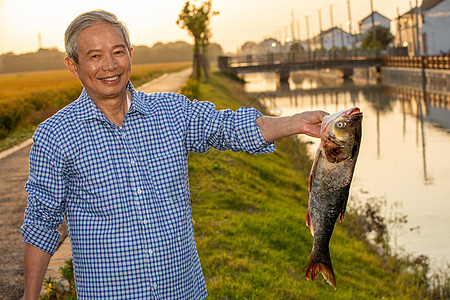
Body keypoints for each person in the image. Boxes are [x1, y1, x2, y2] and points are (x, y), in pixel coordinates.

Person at [21, 10, 327, 300]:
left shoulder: (171, 112)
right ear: (73, 66)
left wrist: (295, 122)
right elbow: (41, 223)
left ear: (130, 54)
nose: (110, 65)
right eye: (95, 56)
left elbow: (228, 127)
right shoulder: (56, 135)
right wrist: (30, 296)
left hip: (183, 289)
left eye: (118, 51)